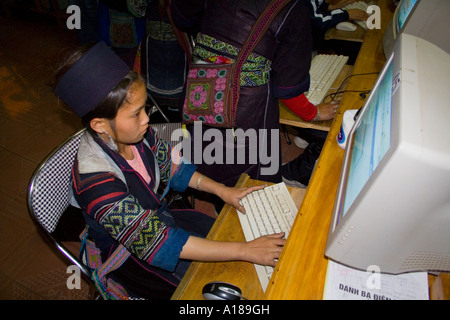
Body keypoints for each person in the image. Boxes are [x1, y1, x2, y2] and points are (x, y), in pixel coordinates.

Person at [52, 42, 285, 299]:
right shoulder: (96, 183)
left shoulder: (135, 135)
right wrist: (245, 251)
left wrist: (223, 191)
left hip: (158, 221)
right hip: (132, 255)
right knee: (224, 283)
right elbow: (159, 244)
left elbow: (174, 166)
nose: (146, 120)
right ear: (100, 125)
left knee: (234, 236)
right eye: (136, 114)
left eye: (145, 109)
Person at [170, 0, 338, 192]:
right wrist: (313, 113)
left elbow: (181, 15)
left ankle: (217, 200)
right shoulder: (293, 9)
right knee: (254, 179)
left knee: (207, 155)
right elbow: (287, 88)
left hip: (201, 92)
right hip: (247, 111)